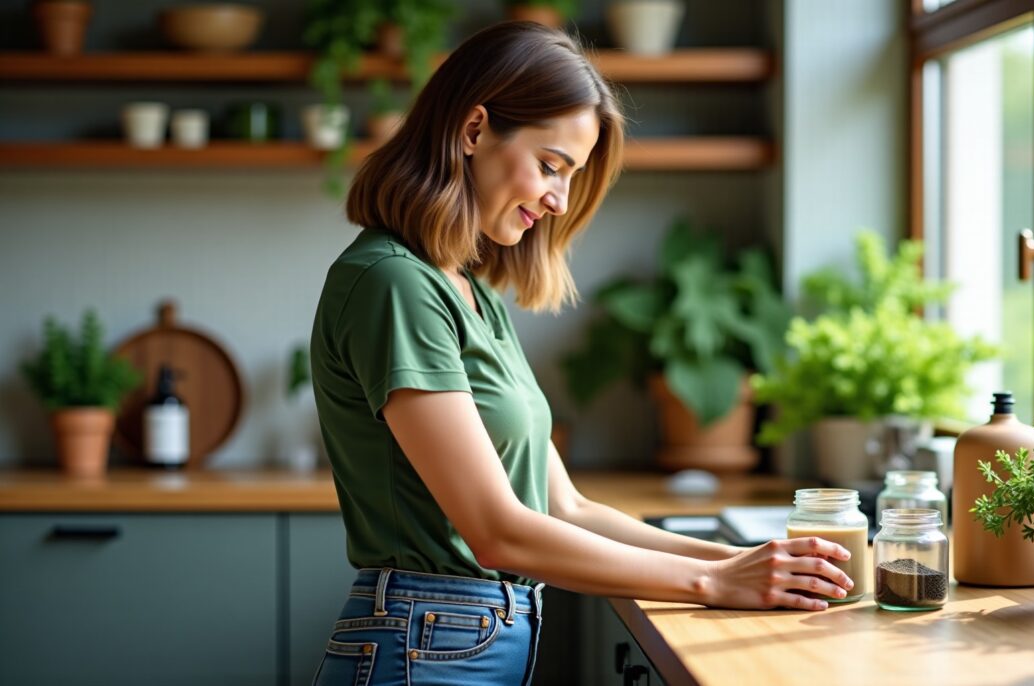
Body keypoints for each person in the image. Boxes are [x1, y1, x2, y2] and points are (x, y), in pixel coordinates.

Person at [309, 21, 854, 686]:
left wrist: (736, 559)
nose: (559, 200)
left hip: (463, 640)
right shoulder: (392, 283)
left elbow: (564, 507)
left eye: (570, 176)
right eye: (549, 166)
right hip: (422, 647)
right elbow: (497, 531)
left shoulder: (469, 291)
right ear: (474, 130)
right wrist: (713, 579)